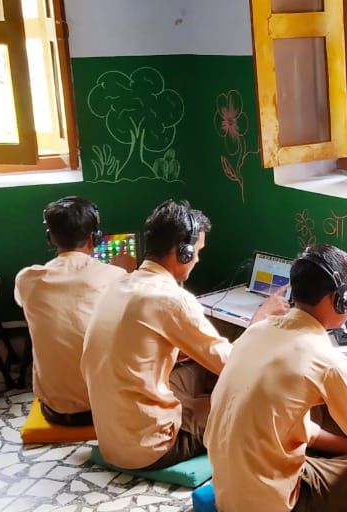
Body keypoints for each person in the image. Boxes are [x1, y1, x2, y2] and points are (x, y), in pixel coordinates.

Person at [205, 243, 347, 512]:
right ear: (338, 301)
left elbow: (296, 425)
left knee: (327, 414)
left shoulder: (258, 330)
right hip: (272, 510)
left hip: (226, 493)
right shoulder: (327, 361)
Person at [82, 200, 287, 471]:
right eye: (197, 251)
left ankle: (200, 406)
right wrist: (258, 321)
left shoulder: (118, 282)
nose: (198, 259)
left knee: (196, 365)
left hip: (112, 439)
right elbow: (231, 364)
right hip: (152, 447)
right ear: (183, 252)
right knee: (249, 402)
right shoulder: (171, 299)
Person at [14, 196, 135, 426]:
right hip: (107, 410)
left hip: (55, 411)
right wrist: (125, 271)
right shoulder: (116, 277)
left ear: (50, 237)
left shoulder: (26, 279)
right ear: (94, 238)